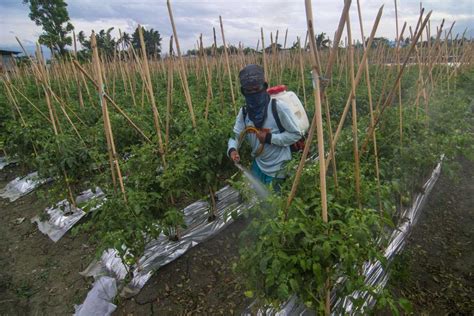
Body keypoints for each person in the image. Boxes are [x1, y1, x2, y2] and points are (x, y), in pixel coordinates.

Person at [227, 64, 302, 188]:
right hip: (258, 164)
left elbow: (296, 134)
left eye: (256, 89)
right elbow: (235, 135)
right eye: (248, 91)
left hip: (279, 168)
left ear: (264, 87)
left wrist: (269, 138)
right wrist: (232, 149)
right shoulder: (245, 112)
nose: (253, 94)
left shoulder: (277, 108)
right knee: (257, 200)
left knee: (275, 204)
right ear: (243, 92)